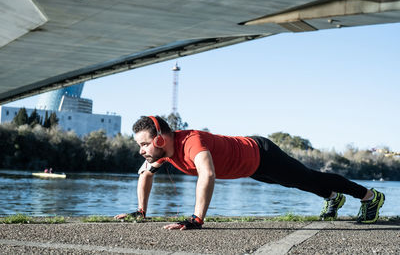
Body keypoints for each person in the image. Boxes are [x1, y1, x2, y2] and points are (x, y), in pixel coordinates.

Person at [114, 116, 385, 230]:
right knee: (296, 183)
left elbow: (207, 175)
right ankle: (332, 197)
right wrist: (141, 211)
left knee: (308, 177)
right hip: (251, 168)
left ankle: (369, 196)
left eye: (144, 144)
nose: (142, 150)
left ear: (160, 140)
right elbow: (145, 173)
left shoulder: (192, 143)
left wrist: (197, 219)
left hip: (262, 153)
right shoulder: (162, 153)